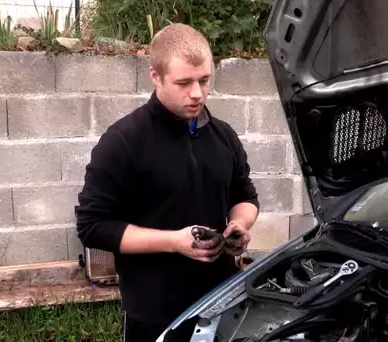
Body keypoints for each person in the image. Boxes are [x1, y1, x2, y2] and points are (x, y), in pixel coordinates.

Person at [74, 23, 260, 342]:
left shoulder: (224, 136)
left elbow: (245, 195)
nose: (197, 93)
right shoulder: (123, 142)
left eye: (204, 80)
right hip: (155, 315)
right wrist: (173, 241)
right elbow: (93, 226)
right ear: (155, 77)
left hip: (222, 304)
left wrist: (240, 224)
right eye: (184, 83)